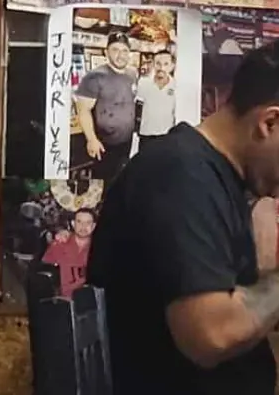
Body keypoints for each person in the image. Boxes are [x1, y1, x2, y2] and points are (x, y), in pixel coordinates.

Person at [87, 36, 279, 395]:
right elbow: (210, 335)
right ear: (270, 122)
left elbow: (213, 292)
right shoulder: (179, 175)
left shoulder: (208, 174)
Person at [73, 34, 139, 179]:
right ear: (106, 52)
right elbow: (83, 110)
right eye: (115, 50)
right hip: (103, 143)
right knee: (103, 182)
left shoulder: (132, 74)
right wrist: (92, 139)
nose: (120, 55)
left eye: (124, 51)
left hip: (126, 141)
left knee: (121, 179)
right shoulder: (95, 77)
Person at [42, 209, 97, 297]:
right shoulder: (60, 244)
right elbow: (44, 272)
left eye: (88, 223)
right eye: (79, 222)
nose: (83, 226)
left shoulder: (100, 248)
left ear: (93, 226)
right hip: (64, 300)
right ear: (73, 224)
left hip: (91, 300)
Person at [135, 49, 183, 146]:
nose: (161, 68)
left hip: (167, 136)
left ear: (172, 66)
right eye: (158, 63)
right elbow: (138, 107)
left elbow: (176, 113)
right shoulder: (143, 83)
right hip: (146, 135)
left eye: (166, 64)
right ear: (153, 64)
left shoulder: (177, 86)